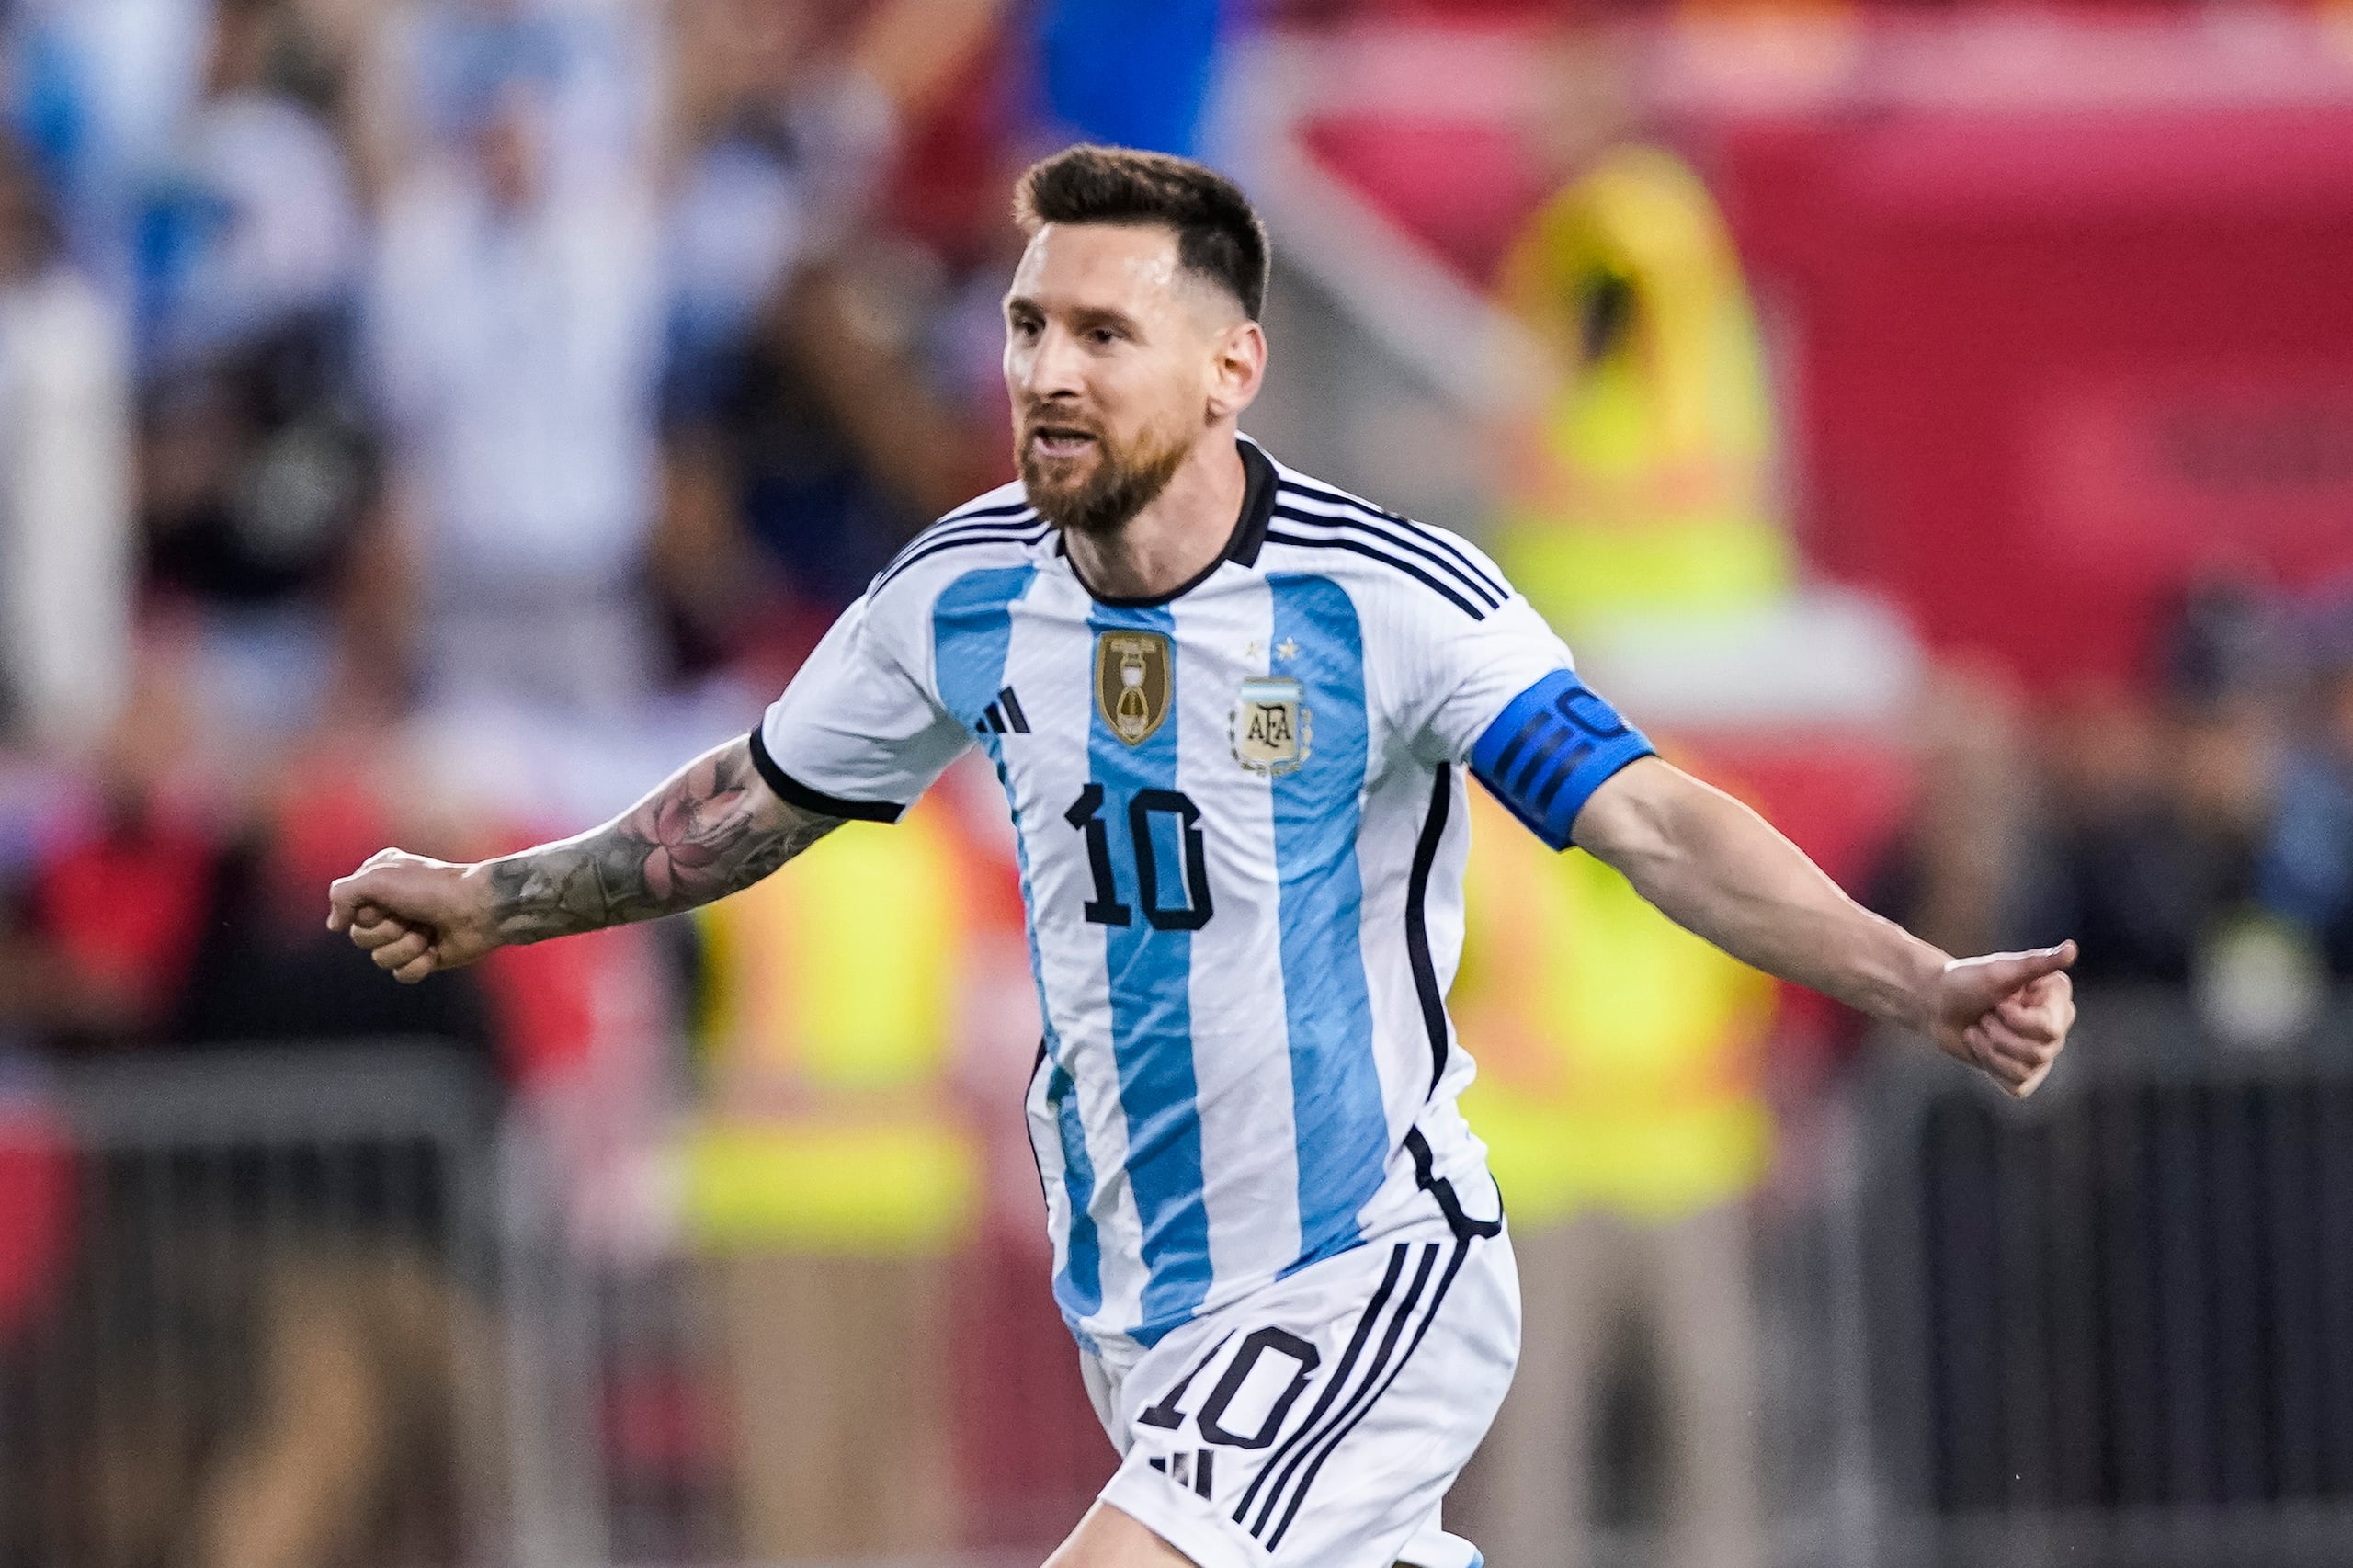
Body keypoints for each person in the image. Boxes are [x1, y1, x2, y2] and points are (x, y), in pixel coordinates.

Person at [327, 145, 2079, 1568]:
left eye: (1103, 332)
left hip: (1368, 1270)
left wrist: (1917, 976)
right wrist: (501, 897)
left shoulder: (1387, 601)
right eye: (1027, 328)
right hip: (1151, 1316)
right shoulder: (963, 594)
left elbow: (1653, 820)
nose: (1046, 373)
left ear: (1233, 364)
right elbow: (745, 801)